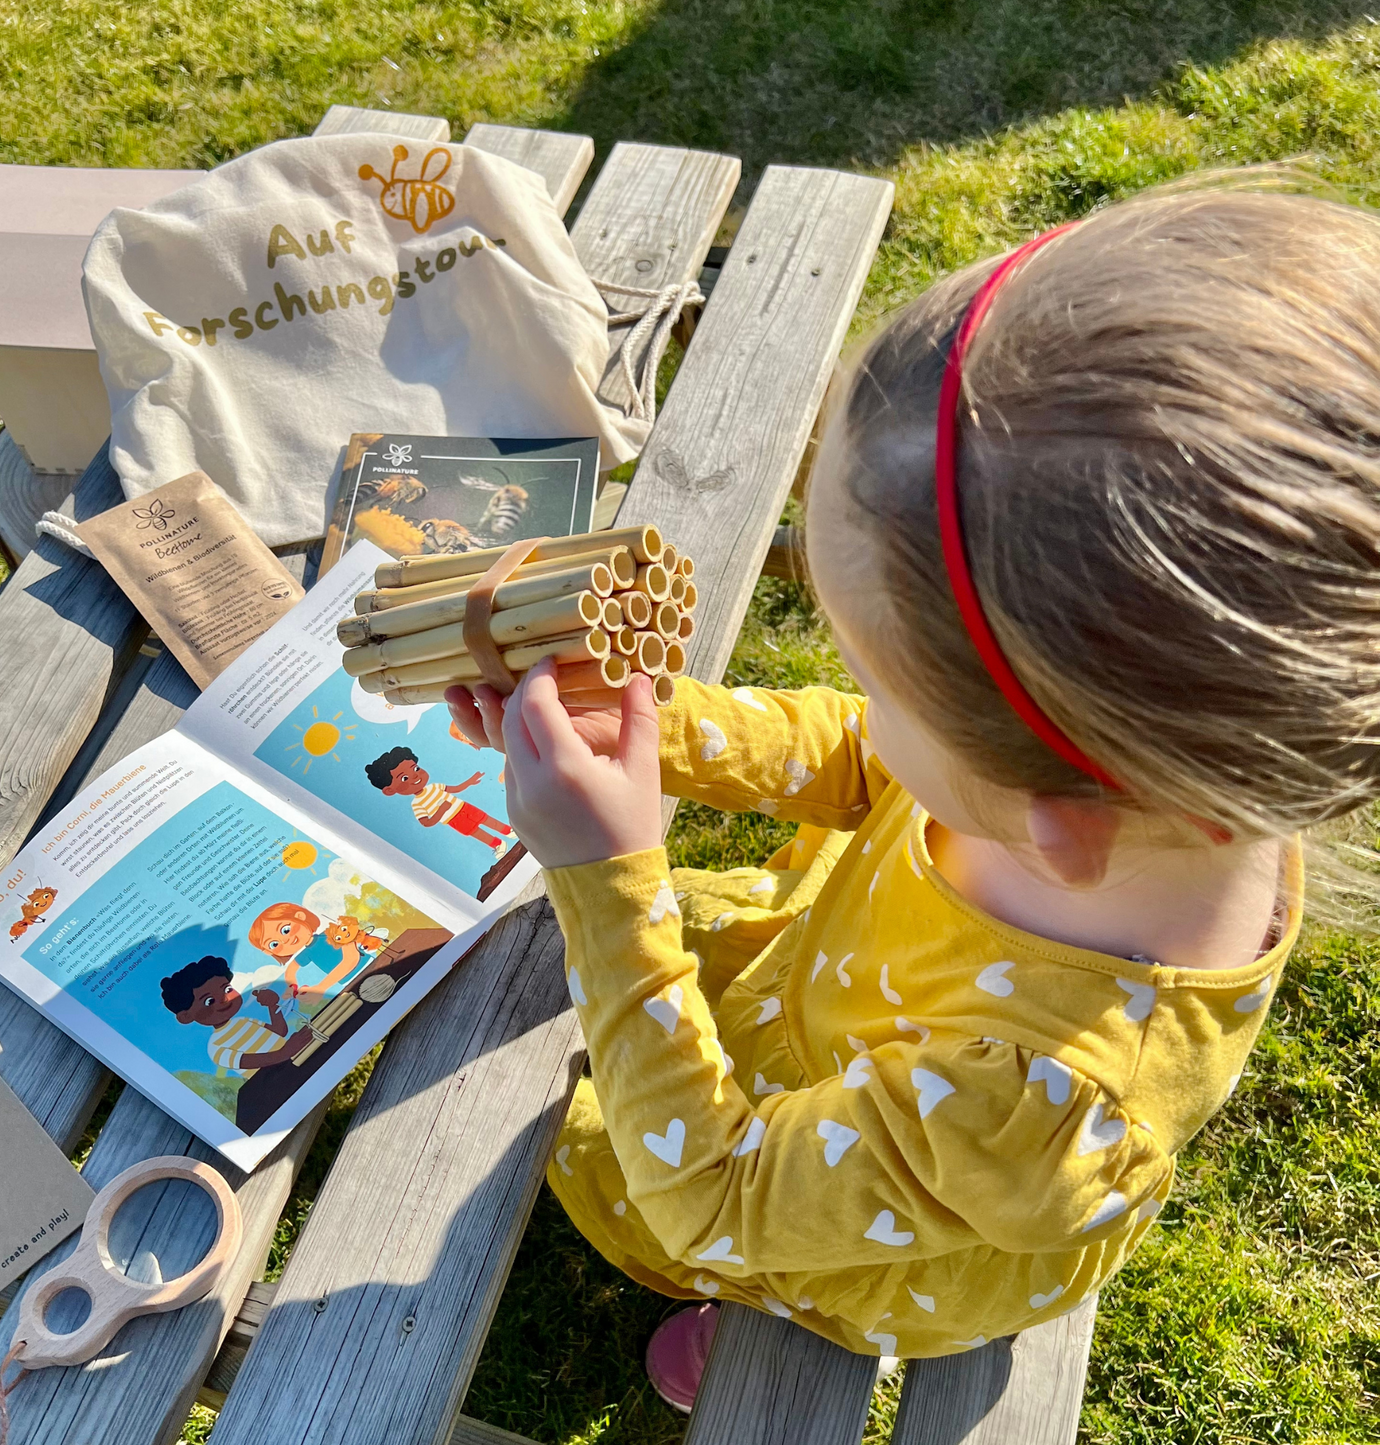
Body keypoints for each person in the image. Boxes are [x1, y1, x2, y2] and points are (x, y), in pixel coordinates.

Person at [446, 183, 1380, 1409]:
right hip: (837, 1014)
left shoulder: (1039, 1104)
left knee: (753, 1223)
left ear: (1055, 817)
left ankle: (787, 1312)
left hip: (802, 1193)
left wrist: (606, 878)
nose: (857, 702)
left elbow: (712, 1187)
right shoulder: (1157, 793)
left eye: (877, 679)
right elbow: (859, 757)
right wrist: (657, 729)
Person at [160, 956, 313, 1076]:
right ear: (186, 1016)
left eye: (227, 989)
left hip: (298, 1057)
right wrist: (285, 1053)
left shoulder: (243, 1021)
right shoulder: (216, 1047)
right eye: (209, 1001)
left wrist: (272, 1006)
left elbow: (280, 1032)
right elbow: (250, 1061)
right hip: (276, 1079)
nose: (224, 999)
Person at [364, 746, 513, 855]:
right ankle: (498, 844)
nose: (415, 776)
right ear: (390, 790)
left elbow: (454, 789)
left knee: (485, 819)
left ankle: (508, 830)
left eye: (416, 769)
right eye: (404, 778)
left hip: (463, 807)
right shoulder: (417, 804)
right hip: (452, 819)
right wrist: (441, 810)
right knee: (475, 832)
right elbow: (426, 822)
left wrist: (470, 781)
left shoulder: (434, 787)